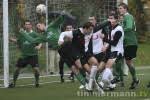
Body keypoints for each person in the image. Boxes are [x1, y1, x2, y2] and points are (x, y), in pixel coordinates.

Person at [9, 20, 42, 88]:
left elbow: (41, 41)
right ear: (24, 26)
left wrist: (39, 46)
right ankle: (13, 83)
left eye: (28, 24)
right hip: (24, 55)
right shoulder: (22, 34)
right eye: (26, 24)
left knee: (36, 70)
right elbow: (18, 41)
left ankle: (37, 82)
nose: (27, 25)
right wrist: (11, 39)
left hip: (33, 55)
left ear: (31, 25)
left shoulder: (34, 34)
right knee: (17, 69)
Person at [98, 13, 124, 91]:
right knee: (103, 68)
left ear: (116, 19)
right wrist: (105, 46)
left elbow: (114, 43)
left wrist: (103, 38)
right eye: (109, 18)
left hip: (117, 51)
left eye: (111, 18)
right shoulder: (110, 28)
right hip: (111, 51)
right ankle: (111, 84)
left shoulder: (119, 29)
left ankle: (102, 83)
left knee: (108, 67)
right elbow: (109, 41)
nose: (109, 20)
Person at [118, 3, 139, 89]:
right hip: (125, 43)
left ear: (125, 9)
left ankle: (135, 79)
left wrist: (119, 30)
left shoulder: (128, 16)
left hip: (130, 43)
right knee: (121, 61)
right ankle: (121, 79)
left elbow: (129, 27)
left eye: (121, 8)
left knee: (128, 62)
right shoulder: (124, 19)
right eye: (119, 8)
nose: (119, 10)